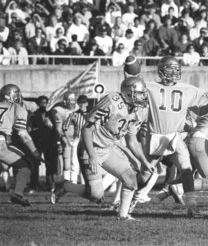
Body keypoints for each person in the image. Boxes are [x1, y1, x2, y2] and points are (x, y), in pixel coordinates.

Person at [51, 77, 152, 221]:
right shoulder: (111, 102)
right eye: (141, 93)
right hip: (90, 147)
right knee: (95, 195)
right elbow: (86, 129)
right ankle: (65, 185)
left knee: (130, 179)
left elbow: (132, 141)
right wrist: (92, 156)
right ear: (129, 93)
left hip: (108, 148)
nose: (144, 96)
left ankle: (123, 216)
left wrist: (144, 162)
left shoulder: (139, 110)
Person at [135, 56, 208, 217]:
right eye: (169, 68)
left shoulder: (191, 89)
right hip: (154, 135)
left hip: (175, 136)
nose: (173, 72)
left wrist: (195, 117)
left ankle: (192, 206)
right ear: (161, 70)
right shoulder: (148, 86)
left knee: (187, 169)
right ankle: (126, 201)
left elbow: (203, 108)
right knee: (144, 176)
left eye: (176, 68)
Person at [0, 84, 44, 206]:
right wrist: (35, 153)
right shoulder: (17, 108)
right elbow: (23, 134)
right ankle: (18, 194)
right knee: (26, 164)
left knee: (3, 167)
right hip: (1, 142)